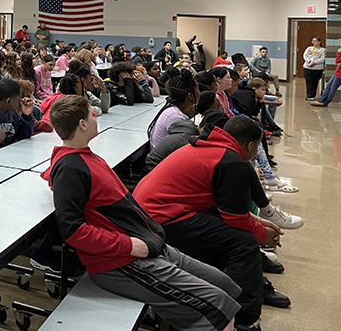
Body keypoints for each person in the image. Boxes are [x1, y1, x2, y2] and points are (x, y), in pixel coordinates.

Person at [42, 95, 242, 331]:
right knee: (218, 308)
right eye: (91, 114)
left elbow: (56, 177)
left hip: (148, 246)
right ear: (82, 125)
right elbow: (72, 230)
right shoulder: (70, 167)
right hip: (122, 261)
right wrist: (128, 245)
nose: (95, 117)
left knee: (225, 286)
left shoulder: (83, 158)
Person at [134, 117, 290, 331]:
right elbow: (235, 219)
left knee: (232, 237)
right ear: (251, 145)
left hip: (152, 216)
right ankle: (246, 321)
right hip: (162, 220)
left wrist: (260, 223)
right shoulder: (231, 161)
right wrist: (263, 234)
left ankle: (225, 299)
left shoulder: (210, 147)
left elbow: (224, 208)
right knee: (244, 244)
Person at [147, 70, 199, 148]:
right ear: (190, 95)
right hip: (164, 159)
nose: (199, 93)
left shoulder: (174, 110)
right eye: (198, 89)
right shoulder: (175, 117)